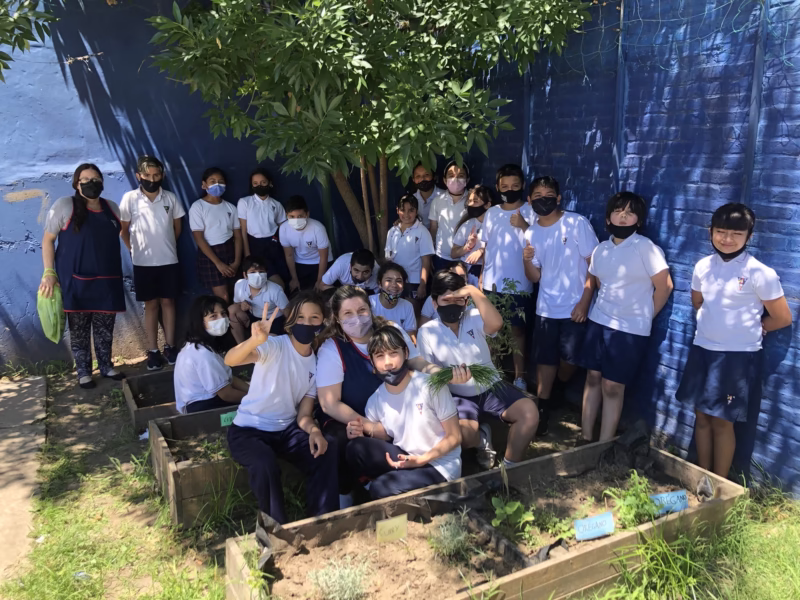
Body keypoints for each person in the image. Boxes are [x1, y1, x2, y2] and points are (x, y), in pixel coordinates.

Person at [316, 285, 456, 508]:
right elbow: (329, 403)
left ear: (370, 310)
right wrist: (370, 426)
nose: (357, 318)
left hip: (398, 417)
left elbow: (415, 361)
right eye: (348, 314)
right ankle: (347, 491)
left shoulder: (390, 329)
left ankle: (408, 480)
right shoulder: (332, 348)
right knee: (345, 442)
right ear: (337, 318)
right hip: (365, 417)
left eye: (362, 310)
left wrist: (443, 375)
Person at [678, 203, 791, 478]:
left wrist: (759, 326)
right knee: (701, 417)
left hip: (737, 357)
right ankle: (701, 478)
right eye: (721, 232)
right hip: (703, 349)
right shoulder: (703, 266)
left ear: (749, 236)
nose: (727, 239)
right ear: (711, 232)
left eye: (736, 234)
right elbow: (697, 301)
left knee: (722, 422)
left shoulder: (760, 273)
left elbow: (782, 317)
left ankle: (718, 484)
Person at [225, 292, 338, 523]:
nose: (306, 323)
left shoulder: (316, 364)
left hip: (286, 431)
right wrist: (254, 341)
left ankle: (323, 521)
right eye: (300, 317)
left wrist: (315, 431)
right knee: (264, 463)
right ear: (290, 321)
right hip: (248, 430)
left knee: (323, 454)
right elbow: (230, 360)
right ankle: (277, 528)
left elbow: (304, 414)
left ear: (323, 322)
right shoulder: (275, 345)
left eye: (314, 318)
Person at [418, 271, 540, 470]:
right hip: (457, 396)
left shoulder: (474, 316)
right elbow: (427, 371)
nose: (452, 305)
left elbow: (496, 324)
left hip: (491, 386)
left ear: (466, 301)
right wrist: (448, 378)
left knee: (529, 413)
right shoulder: (427, 331)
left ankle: (509, 469)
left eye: (459, 299)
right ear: (434, 303)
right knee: (465, 437)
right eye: (446, 300)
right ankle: (482, 438)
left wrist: (473, 290)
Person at [580, 192, 674, 443]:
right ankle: (585, 438)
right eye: (618, 211)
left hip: (629, 330)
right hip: (598, 322)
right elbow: (599, 283)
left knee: (613, 386)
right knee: (592, 378)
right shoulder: (601, 249)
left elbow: (664, 287)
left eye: (630, 212)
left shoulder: (645, 248)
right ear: (608, 217)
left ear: (639, 220)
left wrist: (644, 316)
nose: (623, 216)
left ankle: (604, 444)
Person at [345, 326, 462, 499]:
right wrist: (358, 432)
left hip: (439, 464)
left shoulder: (430, 386)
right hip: (406, 457)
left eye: (393, 353)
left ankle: (443, 495)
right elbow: (381, 439)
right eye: (380, 356)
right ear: (372, 362)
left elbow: (455, 436)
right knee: (355, 448)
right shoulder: (375, 400)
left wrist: (422, 460)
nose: (388, 363)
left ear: (406, 353)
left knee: (380, 489)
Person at [522, 176, 599, 435]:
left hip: (575, 308)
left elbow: (594, 265)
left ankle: (557, 389)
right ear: (529, 200)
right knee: (545, 360)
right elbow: (534, 277)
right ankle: (543, 407)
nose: (543, 200)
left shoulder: (577, 223)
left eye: (548, 195)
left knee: (570, 359)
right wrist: (526, 259)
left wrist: (584, 302)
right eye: (537, 196)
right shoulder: (531, 232)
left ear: (558, 198)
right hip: (546, 307)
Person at [39, 163, 126, 389]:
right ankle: (84, 372)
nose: (90, 183)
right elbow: (48, 240)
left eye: (95, 179)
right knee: (79, 331)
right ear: (76, 184)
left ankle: (106, 366)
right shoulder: (64, 206)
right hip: (76, 281)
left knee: (105, 329)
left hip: (107, 281)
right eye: (85, 180)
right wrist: (49, 272)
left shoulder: (112, 209)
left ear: (102, 183)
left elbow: (119, 237)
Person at [120, 155, 186, 370]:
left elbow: (177, 228)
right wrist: (133, 250)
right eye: (147, 175)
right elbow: (123, 230)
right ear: (138, 176)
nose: (152, 179)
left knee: (169, 303)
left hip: (169, 261)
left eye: (156, 175)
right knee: (151, 305)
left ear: (162, 175)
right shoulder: (130, 199)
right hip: (143, 264)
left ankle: (170, 346)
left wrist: (167, 246)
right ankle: (153, 350)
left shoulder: (170, 198)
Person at [479, 164, 534, 390]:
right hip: (492, 283)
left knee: (517, 331)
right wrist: (482, 275)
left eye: (515, 186)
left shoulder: (530, 211)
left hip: (520, 284)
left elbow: (539, 243)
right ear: (498, 187)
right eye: (505, 187)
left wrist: (524, 226)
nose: (510, 190)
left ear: (522, 186)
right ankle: (493, 374)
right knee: (492, 331)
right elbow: (486, 247)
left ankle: (519, 377)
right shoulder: (492, 213)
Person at [174, 295, 249, 413]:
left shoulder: (200, 346)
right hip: (203, 408)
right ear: (200, 322)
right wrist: (255, 399)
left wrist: (253, 391)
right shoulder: (202, 353)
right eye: (213, 316)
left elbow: (229, 378)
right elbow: (227, 394)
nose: (221, 319)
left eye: (223, 314)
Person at [189, 167, 242, 303]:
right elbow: (199, 238)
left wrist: (236, 262)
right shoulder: (198, 207)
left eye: (220, 181)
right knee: (223, 297)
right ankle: (223, 317)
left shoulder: (231, 208)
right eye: (212, 181)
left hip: (230, 252)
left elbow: (238, 237)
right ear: (204, 185)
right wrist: (218, 263)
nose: (217, 185)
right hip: (211, 255)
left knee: (238, 294)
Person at [237, 168, 289, 283]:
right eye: (255, 183)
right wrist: (247, 253)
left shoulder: (276, 204)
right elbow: (243, 230)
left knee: (283, 276)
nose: (259, 186)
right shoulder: (245, 202)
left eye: (263, 182)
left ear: (270, 183)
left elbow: (283, 228)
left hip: (274, 244)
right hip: (255, 245)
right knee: (267, 279)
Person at [229, 255, 290, 343]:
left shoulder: (275, 290)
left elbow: (287, 311)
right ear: (245, 275)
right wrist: (241, 305)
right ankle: (241, 345)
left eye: (261, 272)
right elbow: (236, 304)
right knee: (232, 310)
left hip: (273, 321)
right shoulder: (239, 285)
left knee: (267, 343)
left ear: (266, 273)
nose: (257, 275)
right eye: (252, 272)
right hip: (253, 318)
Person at [385, 194, 435, 300]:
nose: (406, 214)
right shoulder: (392, 231)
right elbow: (388, 258)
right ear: (397, 210)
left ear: (416, 211)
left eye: (411, 210)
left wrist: (422, 285)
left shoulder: (422, 232)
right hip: (395, 279)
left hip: (414, 281)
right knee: (395, 307)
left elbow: (426, 261)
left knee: (413, 308)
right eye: (402, 210)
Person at [279, 195, 330, 292]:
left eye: (300, 216)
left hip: (319, 263)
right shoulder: (284, 228)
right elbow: (289, 255)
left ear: (307, 214)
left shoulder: (318, 228)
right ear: (286, 215)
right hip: (299, 263)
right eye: (292, 216)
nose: (296, 220)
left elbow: (323, 257)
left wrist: (320, 281)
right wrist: (294, 278)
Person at [429, 160, 469, 272]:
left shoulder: (473, 201)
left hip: (465, 257)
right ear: (444, 180)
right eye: (451, 175)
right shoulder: (437, 201)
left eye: (461, 176)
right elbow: (433, 229)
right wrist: (430, 255)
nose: (455, 179)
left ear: (467, 180)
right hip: (440, 258)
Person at [451, 185, 493, 287]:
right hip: (466, 271)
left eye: (475, 201)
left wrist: (481, 251)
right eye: (469, 201)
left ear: (487, 205)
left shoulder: (495, 225)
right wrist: (467, 247)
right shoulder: (467, 224)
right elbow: (453, 253)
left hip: (486, 271)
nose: (471, 204)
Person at [369, 262, 417, 337]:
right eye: (388, 280)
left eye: (398, 281)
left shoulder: (407, 306)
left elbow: (411, 336)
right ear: (380, 283)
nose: (394, 285)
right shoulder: (369, 303)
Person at [411, 162, 440, 229]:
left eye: (426, 175)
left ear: (434, 177)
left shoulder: (444, 196)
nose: (422, 179)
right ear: (413, 180)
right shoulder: (411, 200)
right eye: (418, 176)